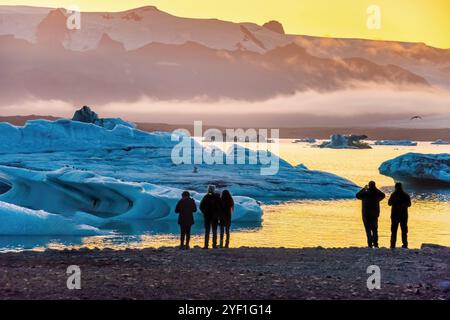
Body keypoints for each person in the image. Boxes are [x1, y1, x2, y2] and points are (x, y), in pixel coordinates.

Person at [356, 181, 386, 248]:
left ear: (369, 185)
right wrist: (376, 189)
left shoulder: (365, 194)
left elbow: (357, 195)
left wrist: (364, 189)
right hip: (374, 214)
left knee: (368, 229)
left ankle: (370, 244)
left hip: (366, 214)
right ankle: (375, 244)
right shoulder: (376, 194)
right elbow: (383, 195)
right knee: (374, 229)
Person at [388, 183, 411, 249]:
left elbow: (389, 203)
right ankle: (405, 244)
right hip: (403, 216)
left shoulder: (393, 195)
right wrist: (404, 205)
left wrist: (394, 202)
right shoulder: (405, 195)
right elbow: (409, 204)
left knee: (394, 231)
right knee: (404, 231)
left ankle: (392, 245)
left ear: (395, 187)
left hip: (395, 215)